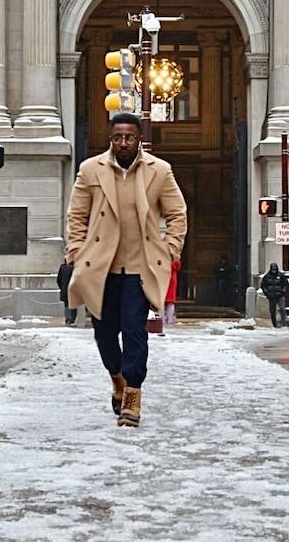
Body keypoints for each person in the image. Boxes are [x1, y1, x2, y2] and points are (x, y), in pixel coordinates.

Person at [66, 112, 188, 428]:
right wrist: (77, 252)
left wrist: (170, 249)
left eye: (129, 137)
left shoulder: (160, 172)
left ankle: (133, 395)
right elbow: (76, 216)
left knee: (135, 332)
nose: (123, 142)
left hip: (139, 268)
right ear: (112, 139)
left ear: (139, 140)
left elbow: (177, 214)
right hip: (101, 269)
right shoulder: (90, 169)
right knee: (104, 333)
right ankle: (117, 377)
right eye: (117, 137)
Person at [259, 263, 287, 328]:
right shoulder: (267, 276)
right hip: (271, 296)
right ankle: (275, 325)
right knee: (272, 311)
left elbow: (285, 284)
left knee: (282, 308)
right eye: (273, 269)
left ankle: (284, 323)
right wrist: (267, 293)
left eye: (275, 269)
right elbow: (263, 286)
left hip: (280, 295)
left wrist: (283, 291)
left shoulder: (281, 276)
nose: (274, 271)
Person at [56, 261, 77, 326]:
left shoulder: (63, 267)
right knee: (73, 305)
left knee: (66, 305)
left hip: (65, 289)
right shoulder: (75, 267)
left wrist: (62, 287)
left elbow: (58, 279)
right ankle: (72, 319)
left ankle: (68, 319)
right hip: (73, 289)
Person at [164, 259, 179, 325]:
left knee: (164, 301)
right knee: (170, 302)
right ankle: (170, 320)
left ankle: (165, 319)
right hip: (171, 278)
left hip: (166, 278)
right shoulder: (175, 256)